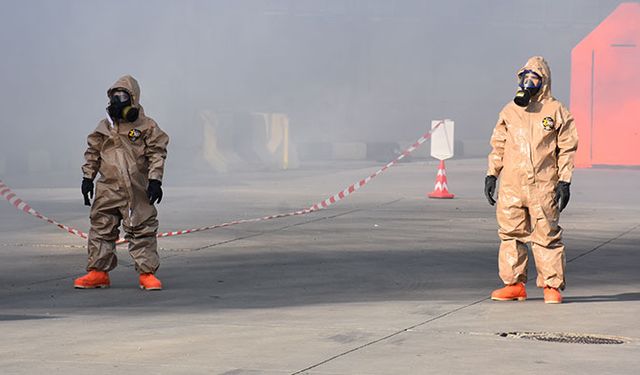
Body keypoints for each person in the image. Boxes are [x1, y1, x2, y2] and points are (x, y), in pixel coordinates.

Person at [484, 56, 578, 304]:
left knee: (546, 234)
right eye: (525, 77)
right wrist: (492, 173)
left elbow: (567, 147)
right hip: (513, 184)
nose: (528, 82)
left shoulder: (556, 111)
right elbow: (499, 144)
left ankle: (551, 286)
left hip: (543, 185)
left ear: (544, 81)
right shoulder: (510, 111)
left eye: (534, 77)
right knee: (511, 234)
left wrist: (564, 180)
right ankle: (514, 284)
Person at [74, 75, 169, 290]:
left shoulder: (146, 126)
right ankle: (98, 272)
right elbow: (93, 153)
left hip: (137, 188)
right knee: (101, 227)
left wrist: (155, 180)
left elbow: (157, 152)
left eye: (123, 96)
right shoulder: (105, 126)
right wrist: (87, 178)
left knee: (142, 228)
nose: (118, 100)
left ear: (133, 98)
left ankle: (147, 274)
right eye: (114, 96)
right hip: (108, 187)